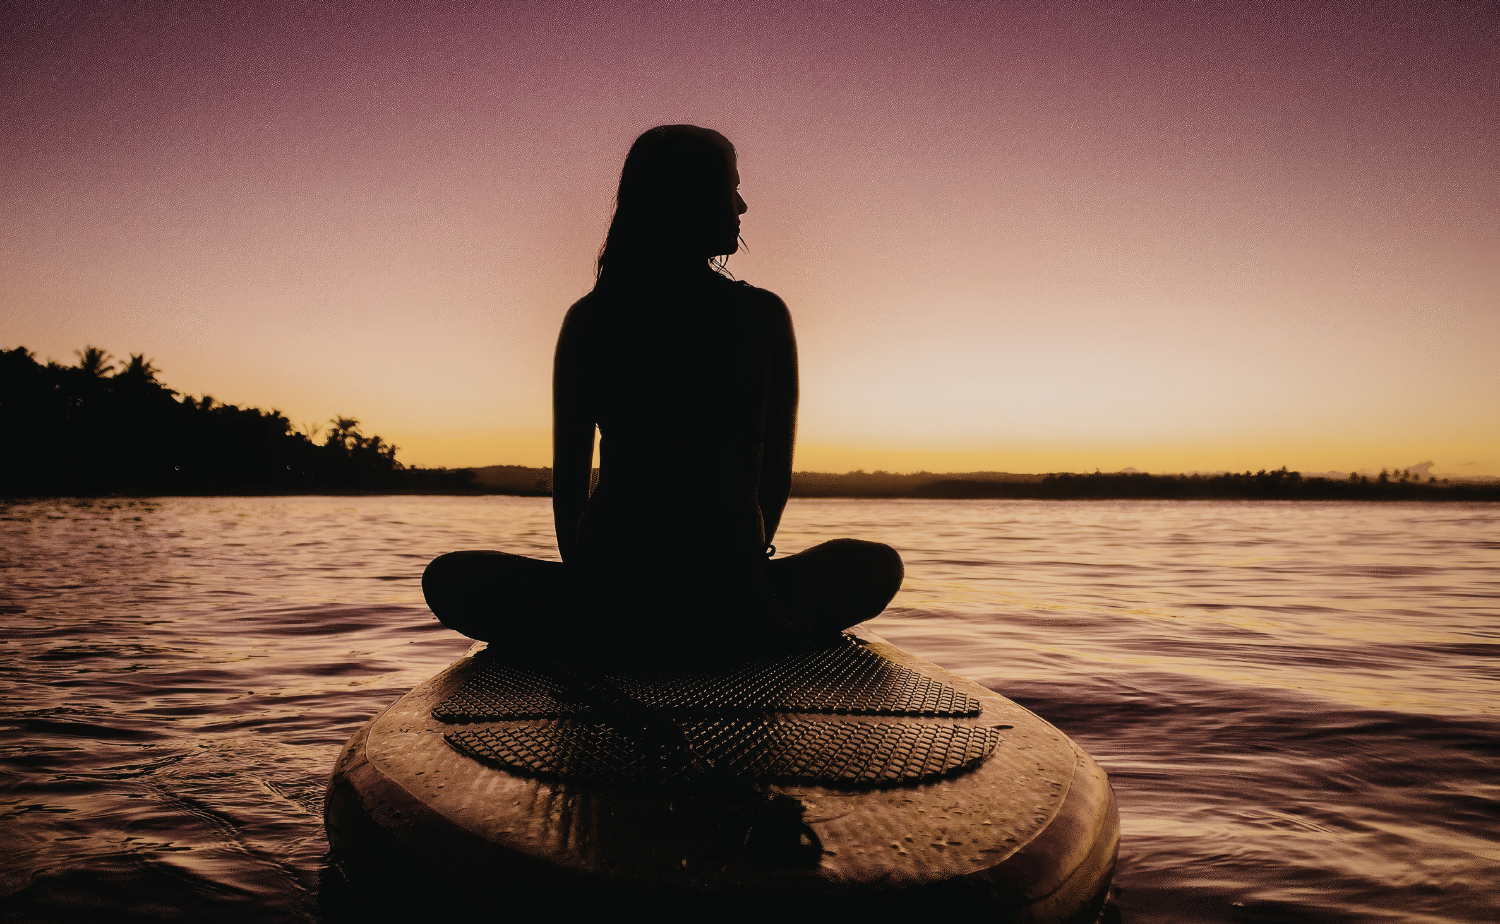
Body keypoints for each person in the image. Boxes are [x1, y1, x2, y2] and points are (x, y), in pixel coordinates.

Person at [423, 125, 903, 665]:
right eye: (731, 188)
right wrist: (743, 568)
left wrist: (586, 585)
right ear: (690, 196)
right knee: (876, 566)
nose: (742, 205)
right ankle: (749, 625)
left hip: (615, 590)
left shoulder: (591, 318)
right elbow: (772, 478)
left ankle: (604, 629)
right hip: (729, 590)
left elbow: (571, 484)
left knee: (450, 577)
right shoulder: (762, 316)